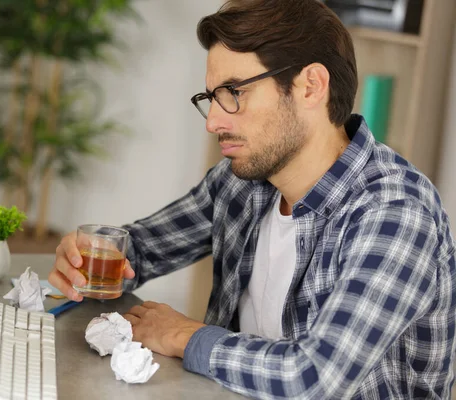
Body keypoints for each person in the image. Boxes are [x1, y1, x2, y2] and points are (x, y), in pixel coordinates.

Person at [49, 0, 456, 398]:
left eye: (234, 93)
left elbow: (316, 379)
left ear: (310, 86)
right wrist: (87, 260)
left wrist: (188, 336)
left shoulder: (396, 212)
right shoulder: (245, 181)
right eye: (211, 98)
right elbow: (140, 251)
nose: (213, 122)